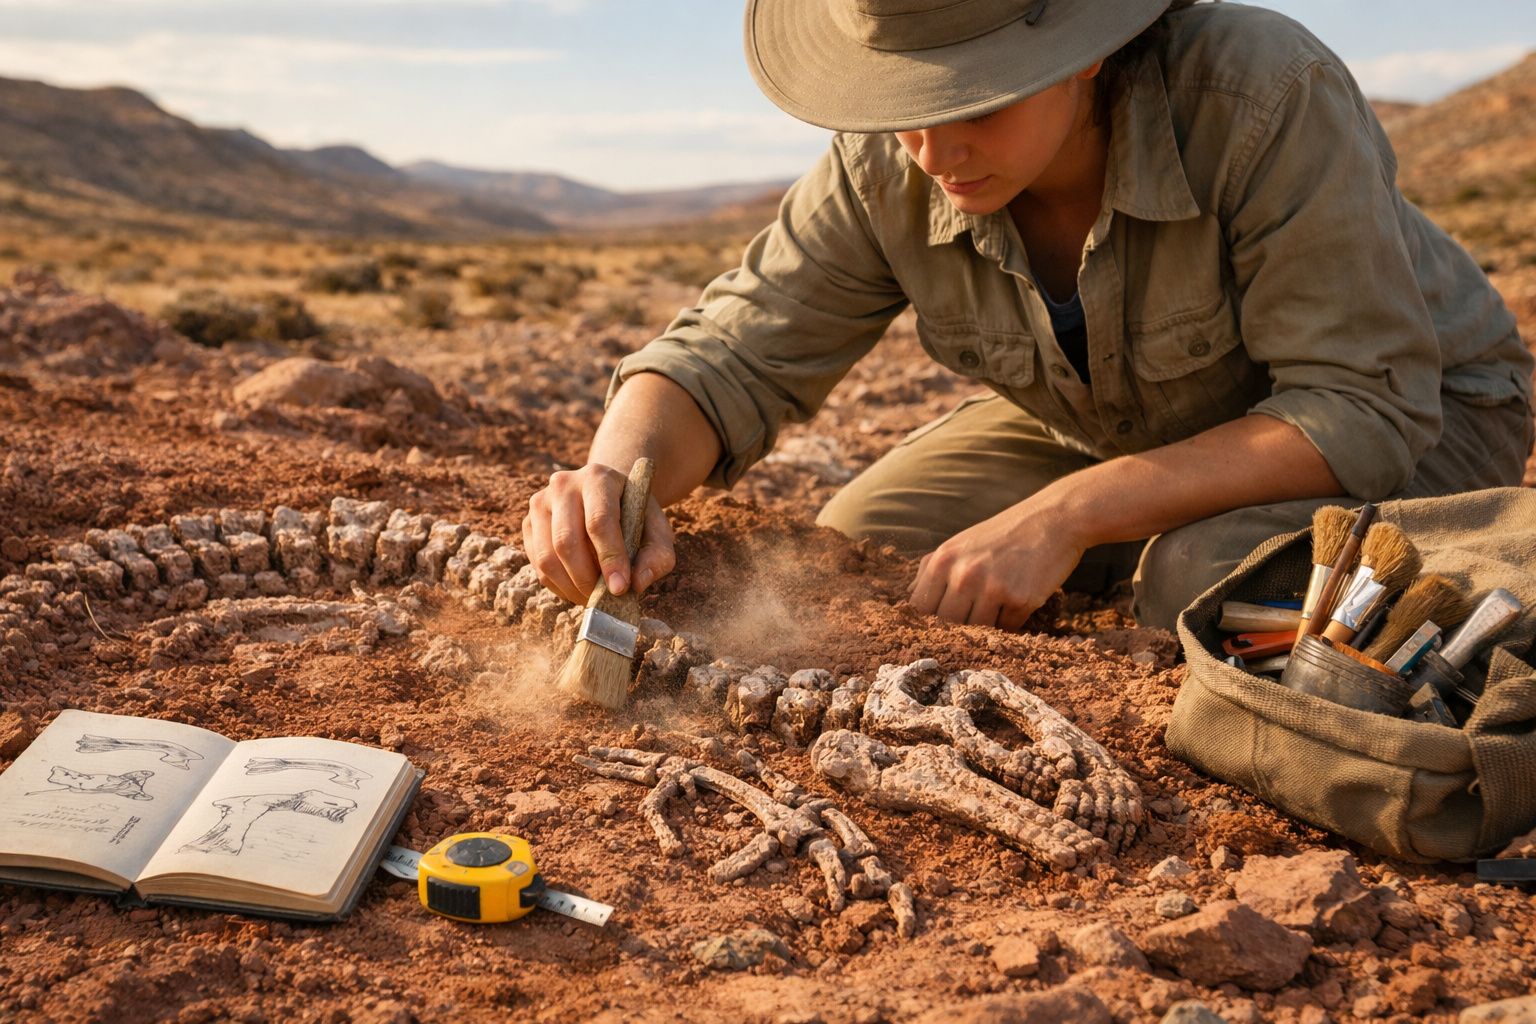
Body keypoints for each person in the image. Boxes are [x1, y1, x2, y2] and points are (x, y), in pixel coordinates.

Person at [521, 0, 1534, 633]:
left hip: (1426, 416)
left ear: (1086, 47)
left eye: (974, 102)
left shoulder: (1260, 94)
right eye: (902, 105)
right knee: (866, 541)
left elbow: (1362, 408)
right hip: (1109, 420)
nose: (930, 147)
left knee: (1194, 579)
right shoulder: (887, 160)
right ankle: (1129, 549)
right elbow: (729, 353)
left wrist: (1068, 514)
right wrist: (619, 473)